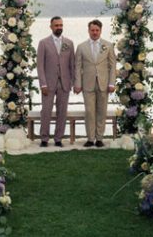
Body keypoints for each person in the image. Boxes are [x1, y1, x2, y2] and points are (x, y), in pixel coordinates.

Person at [74, 19, 117, 148]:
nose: (94, 32)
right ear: (88, 30)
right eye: (92, 30)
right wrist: (77, 83)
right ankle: (90, 138)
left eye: (97, 30)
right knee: (89, 111)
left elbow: (112, 65)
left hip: (103, 83)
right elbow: (77, 66)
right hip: (87, 83)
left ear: (100, 31)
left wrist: (111, 83)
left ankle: (99, 138)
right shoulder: (81, 47)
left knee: (101, 111)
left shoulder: (108, 45)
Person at [36, 16, 76, 147]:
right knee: (46, 111)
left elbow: (72, 65)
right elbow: (40, 66)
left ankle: (58, 138)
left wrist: (72, 82)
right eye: (56, 25)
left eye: (61, 25)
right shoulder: (43, 43)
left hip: (64, 83)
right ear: (51, 27)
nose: (59, 27)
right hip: (48, 83)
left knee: (62, 111)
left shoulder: (69, 43)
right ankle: (44, 138)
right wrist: (43, 84)